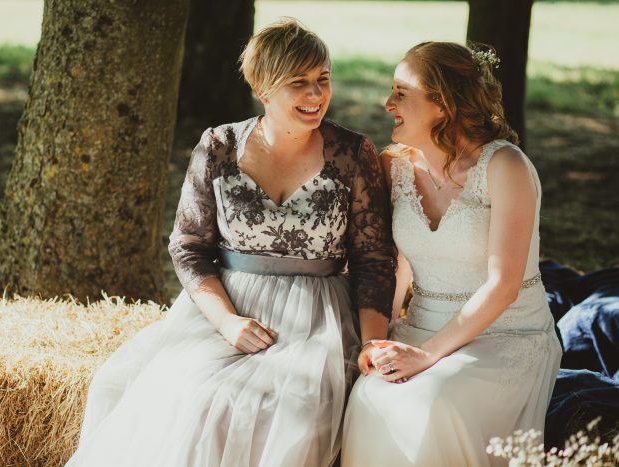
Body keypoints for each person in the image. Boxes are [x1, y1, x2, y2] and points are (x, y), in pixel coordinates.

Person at [66, 19, 397, 467]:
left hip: (317, 317)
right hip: (228, 305)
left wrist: (372, 347)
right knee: (187, 397)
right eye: (298, 83)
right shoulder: (218, 146)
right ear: (263, 87)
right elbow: (188, 246)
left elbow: (374, 259)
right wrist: (226, 322)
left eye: (323, 80)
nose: (316, 95)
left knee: (289, 410)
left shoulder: (353, 154)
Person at [341, 41, 562, 466]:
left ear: (442, 105)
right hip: (421, 327)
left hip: (505, 337)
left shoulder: (505, 167)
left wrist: (426, 356)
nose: (388, 104)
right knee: (370, 395)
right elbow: (395, 265)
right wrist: (381, 333)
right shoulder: (394, 167)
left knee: (434, 401)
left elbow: (504, 285)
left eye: (401, 93)